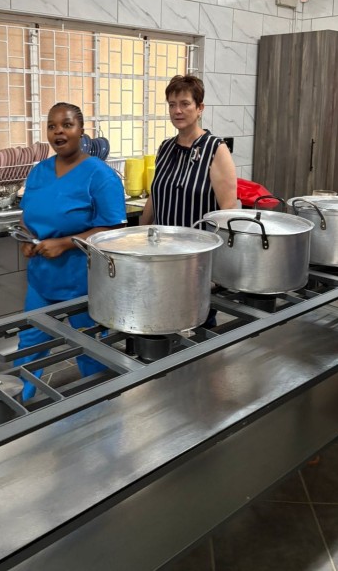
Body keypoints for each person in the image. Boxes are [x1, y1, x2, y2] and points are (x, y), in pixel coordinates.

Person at [16, 102, 126, 399]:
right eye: (52, 126)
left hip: (83, 283)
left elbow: (113, 231)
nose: (59, 132)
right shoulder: (39, 172)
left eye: (67, 125)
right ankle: (18, 407)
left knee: (91, 349)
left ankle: (103, 408)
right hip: (42, 280)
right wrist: (27, 238)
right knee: (29, 345)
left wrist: (65, 243)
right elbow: (27, 216)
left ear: (81, 130)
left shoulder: (99, 175)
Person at [140, 74, 237, 228]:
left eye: (185, 104)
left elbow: (228, 210)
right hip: (163, 241)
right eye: (172, 105)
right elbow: (155, 196)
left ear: (200, 108)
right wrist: (139, 232)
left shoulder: (215, 149)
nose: (177, 111)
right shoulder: (165, 147)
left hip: (201, 242)